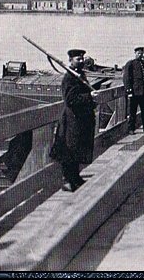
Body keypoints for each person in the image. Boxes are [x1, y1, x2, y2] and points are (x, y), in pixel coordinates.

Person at [49, 49, 98, 192]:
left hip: (80, 119)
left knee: (76, 149)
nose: (81, 61)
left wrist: (91, 98)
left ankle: (75, 177)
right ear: (70, 61)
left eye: (82, 58)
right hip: (71, 120)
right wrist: (89, 95)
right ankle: (68, 180)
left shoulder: (79, 75)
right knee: (69, 150)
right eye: (78, 59)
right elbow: (70, 100)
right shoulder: (69, 78)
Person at [123, 47, 144, 134]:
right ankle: (131, 129)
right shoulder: (130, 64)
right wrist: (129, 91)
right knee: (132, 111)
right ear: (135, 53)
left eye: (141, 53)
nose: (140, 55)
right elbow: (126, 78)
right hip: (134, 92)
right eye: (138, 53)